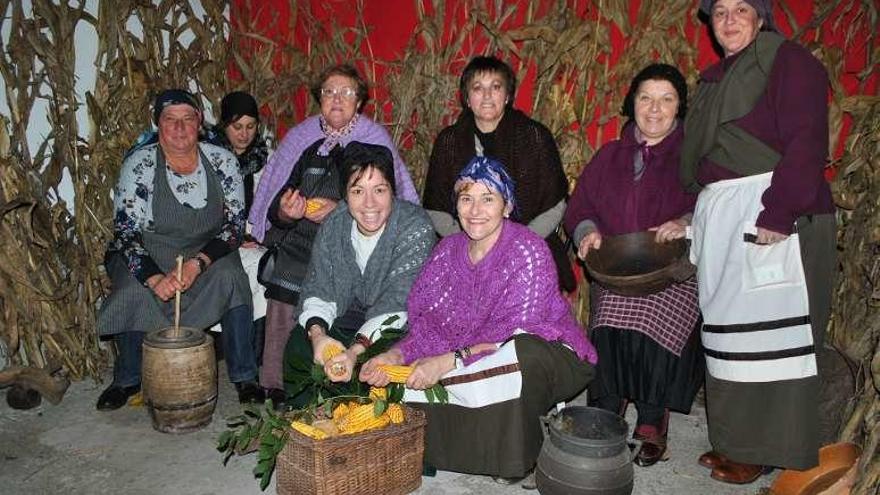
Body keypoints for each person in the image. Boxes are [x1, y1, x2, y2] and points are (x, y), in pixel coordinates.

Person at [361, 156, 597, 483]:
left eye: (488, 199)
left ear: (507, 206)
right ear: (456, 205)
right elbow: (427, 323)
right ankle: (435, 446)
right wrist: (395, 356)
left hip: (547, 355)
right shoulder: (446, 252)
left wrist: (447, 362)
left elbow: (516, 332)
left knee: (515, 357)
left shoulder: (528, 249)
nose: (475, 210)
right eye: (466, 198)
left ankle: (515, 456)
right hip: (470, 354)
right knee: (397, 380)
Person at [682, 0, 836, 484]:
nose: (728, 20)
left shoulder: (789, 61)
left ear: (762, 15)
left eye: (741, 9)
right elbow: (706, 160)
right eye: (719, 11)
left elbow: (807, 140)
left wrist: (779, 211)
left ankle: (768, 448)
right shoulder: (713, 80)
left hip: (770, 209)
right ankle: (735, 442)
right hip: (728, 213)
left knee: (772, 339)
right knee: (729, 337)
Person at [248, 64, 420, 408]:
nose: (337, 99)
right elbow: (275, 205)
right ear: (319, 99)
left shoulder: (375, 140)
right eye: (329, 92)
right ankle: (283, 384)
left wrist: (343, 209)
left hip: (354, 237)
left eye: (346, 92)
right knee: (286, 275)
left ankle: (342, 374)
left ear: (360, 101)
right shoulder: (300, 138)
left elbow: (393, 202)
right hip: (301, 239)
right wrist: (287, 210)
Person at [563, 64, 704, 468]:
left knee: (651, 319)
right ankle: (606, 411)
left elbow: (712, 202)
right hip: (619, 269)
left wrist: (686, 222)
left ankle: (650, 418)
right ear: (632, 104)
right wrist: (587, 232)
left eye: (666, 99)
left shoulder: (694, 155)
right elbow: (581, 206)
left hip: (672, 271)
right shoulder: (611, 154)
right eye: (646, 98)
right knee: (610, 318)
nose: (655, 109)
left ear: (680, 107)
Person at [96, 89, 261, 410]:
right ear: (158, 124)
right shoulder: (140, 164)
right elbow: (126, 233)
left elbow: (233, 228)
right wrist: (155, 278)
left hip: (205, 252)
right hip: (147, 251)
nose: (180, 128)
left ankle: (245, 375)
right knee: (133, 290)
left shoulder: (222, 161)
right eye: (170, 120)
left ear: (200, 122)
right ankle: (127, 379)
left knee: (231, 278)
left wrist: (197, 263)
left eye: (188, 119)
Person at [284, 141, 435, 406]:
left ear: (392, 191)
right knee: (300, 344)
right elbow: (320, 284)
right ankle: (305, 430)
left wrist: (354, 352)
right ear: (344, 194)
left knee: (368, 372)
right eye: (357, 191)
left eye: (379, 190)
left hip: (399, 326)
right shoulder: (336, 223)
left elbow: (398, 304)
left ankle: (357, 436)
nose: (369, 204)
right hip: (349, 314)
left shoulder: (415, 227)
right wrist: (319, 337)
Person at [422, 56, 576, 292]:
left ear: (507, 96)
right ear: (467, 98)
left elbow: (555, 203)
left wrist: (514, 245)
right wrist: (469, 243)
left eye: (495, 87)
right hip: (463, 243)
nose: (486, 96)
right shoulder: (449, 142)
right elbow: (435, 206)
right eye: (477, 88)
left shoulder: (534, 136)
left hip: (527, 244)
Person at [205, 91, 270, 350]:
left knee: (265, 267)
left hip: (254, 238)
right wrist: (234, 237)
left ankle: (255, 353)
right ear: (224, 125)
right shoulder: (208, 157)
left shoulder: (266, 158)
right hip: (216, 238)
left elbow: (269, 205)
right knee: (248, 271)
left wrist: (258, 236)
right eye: (237, 127)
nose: (244, 134)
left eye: (251, 127)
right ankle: (236, 347)